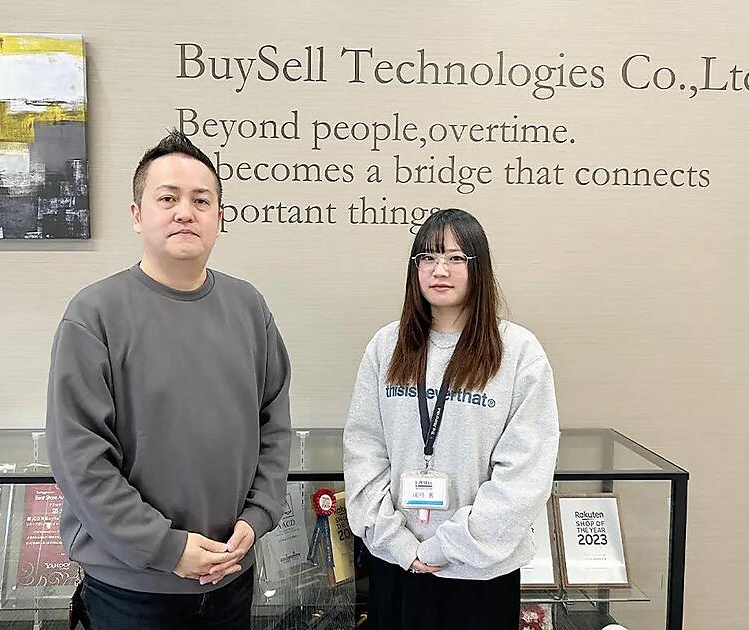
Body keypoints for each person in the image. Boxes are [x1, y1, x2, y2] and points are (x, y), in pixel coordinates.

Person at [45, 130, 292, 630]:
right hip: (131, 589)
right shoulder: (94, 315)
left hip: (230, 577)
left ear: (219, 217)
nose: (185, 212)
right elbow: (80, 460)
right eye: (167, 199)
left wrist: (258, 516)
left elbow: (275, 428)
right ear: (137, 215)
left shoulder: (249, 308)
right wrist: (167, 547)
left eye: (201, 200)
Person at [342, 208, 560, 630]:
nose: (439, 269)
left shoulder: (518, 353)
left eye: (456, 258)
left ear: (480, 267)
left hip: (480, 573)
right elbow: (364, 450)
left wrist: (445, 547)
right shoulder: (386, 346)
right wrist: (399, 543)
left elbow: (524, 473)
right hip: (397, 566)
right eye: (427, 257)